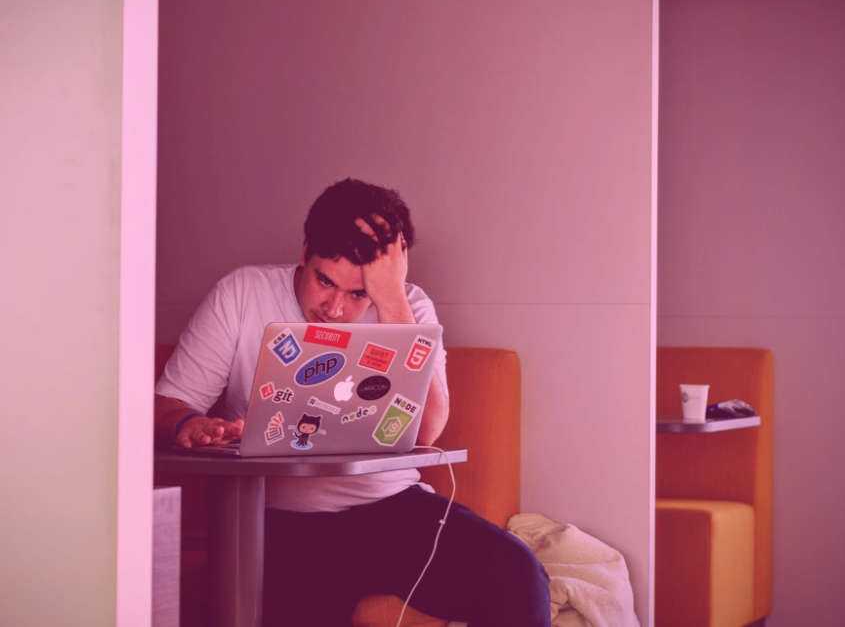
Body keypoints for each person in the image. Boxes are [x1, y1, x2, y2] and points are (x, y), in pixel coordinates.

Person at [154, 179, 551, 626]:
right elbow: (167, 405)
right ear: (304, 253)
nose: (336, 308)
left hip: (392, 510)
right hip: (280, 522)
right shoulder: (242, 293)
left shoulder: (409, 306)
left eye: (358, 293)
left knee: (519, 575)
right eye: (325, 281)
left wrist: (391, 301)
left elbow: (427, 431)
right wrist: (189, 423)